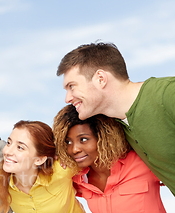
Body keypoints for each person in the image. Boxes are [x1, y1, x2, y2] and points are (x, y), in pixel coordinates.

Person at [57, 42, 175, 196]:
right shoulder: (119, 128)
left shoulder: (168, 94)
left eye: (72, 86)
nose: (67, 98)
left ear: (100, 79)